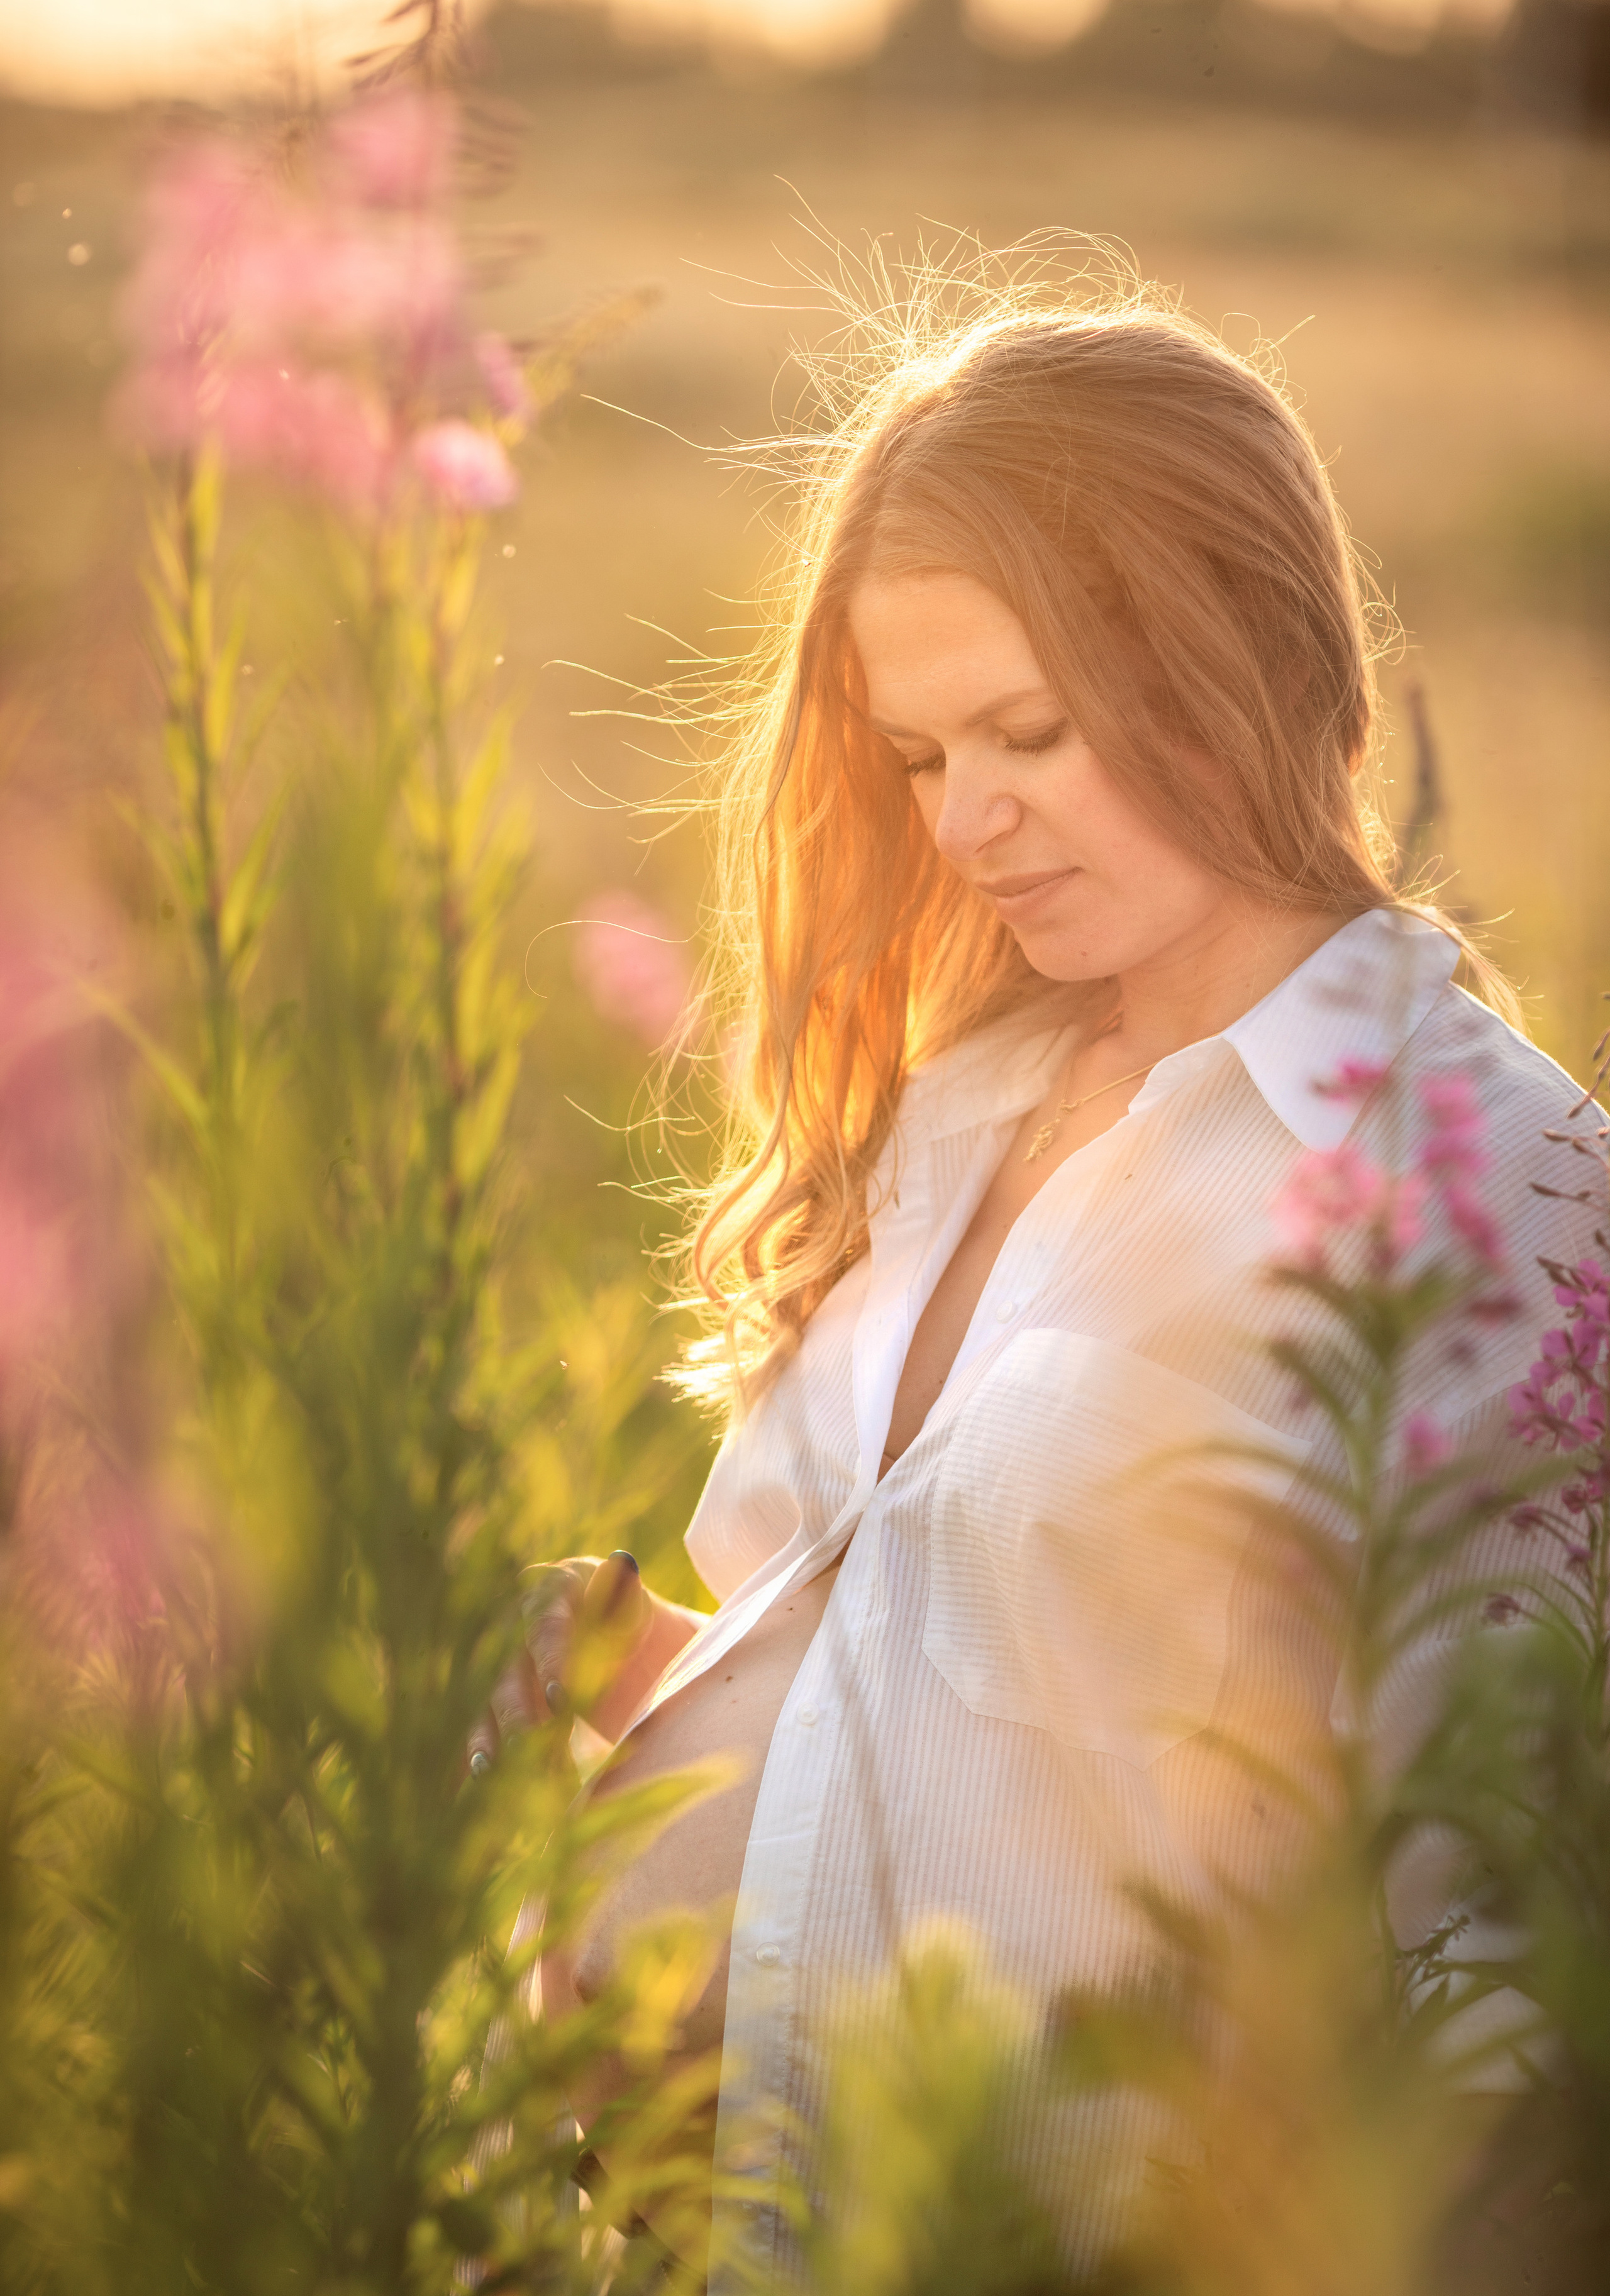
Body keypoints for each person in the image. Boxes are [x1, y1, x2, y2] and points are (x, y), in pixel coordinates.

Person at [496, 261, 1589, 2292]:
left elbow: (1499, 1948)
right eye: (918, 752)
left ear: (1240, 656)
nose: (967, 817)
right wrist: (627, 1677)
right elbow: (938, 1687)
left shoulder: (1487, 1181)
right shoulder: (954, 1101)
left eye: (1029, 729)